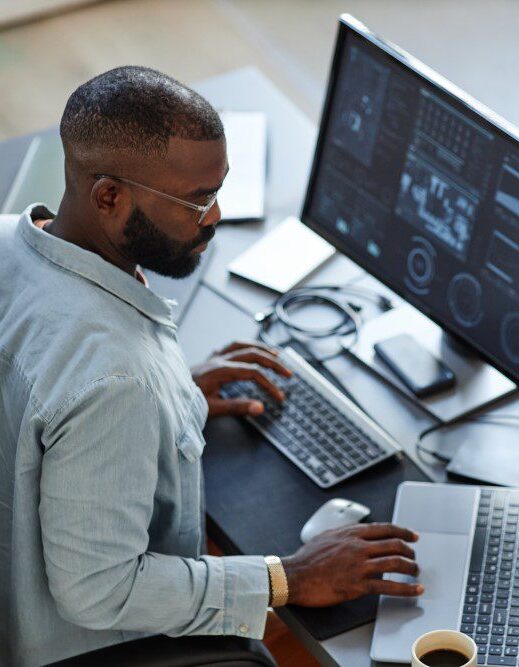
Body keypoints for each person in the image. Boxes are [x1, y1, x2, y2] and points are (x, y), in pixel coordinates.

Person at [0, 66, 423, 666]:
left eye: (219, 188)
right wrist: (288, 579)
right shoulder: (117, 381)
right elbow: (99, 591)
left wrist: (175, 396)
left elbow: (46, 390)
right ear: (109, 196)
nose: (216, 217)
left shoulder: (9, 244)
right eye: (196, 201)